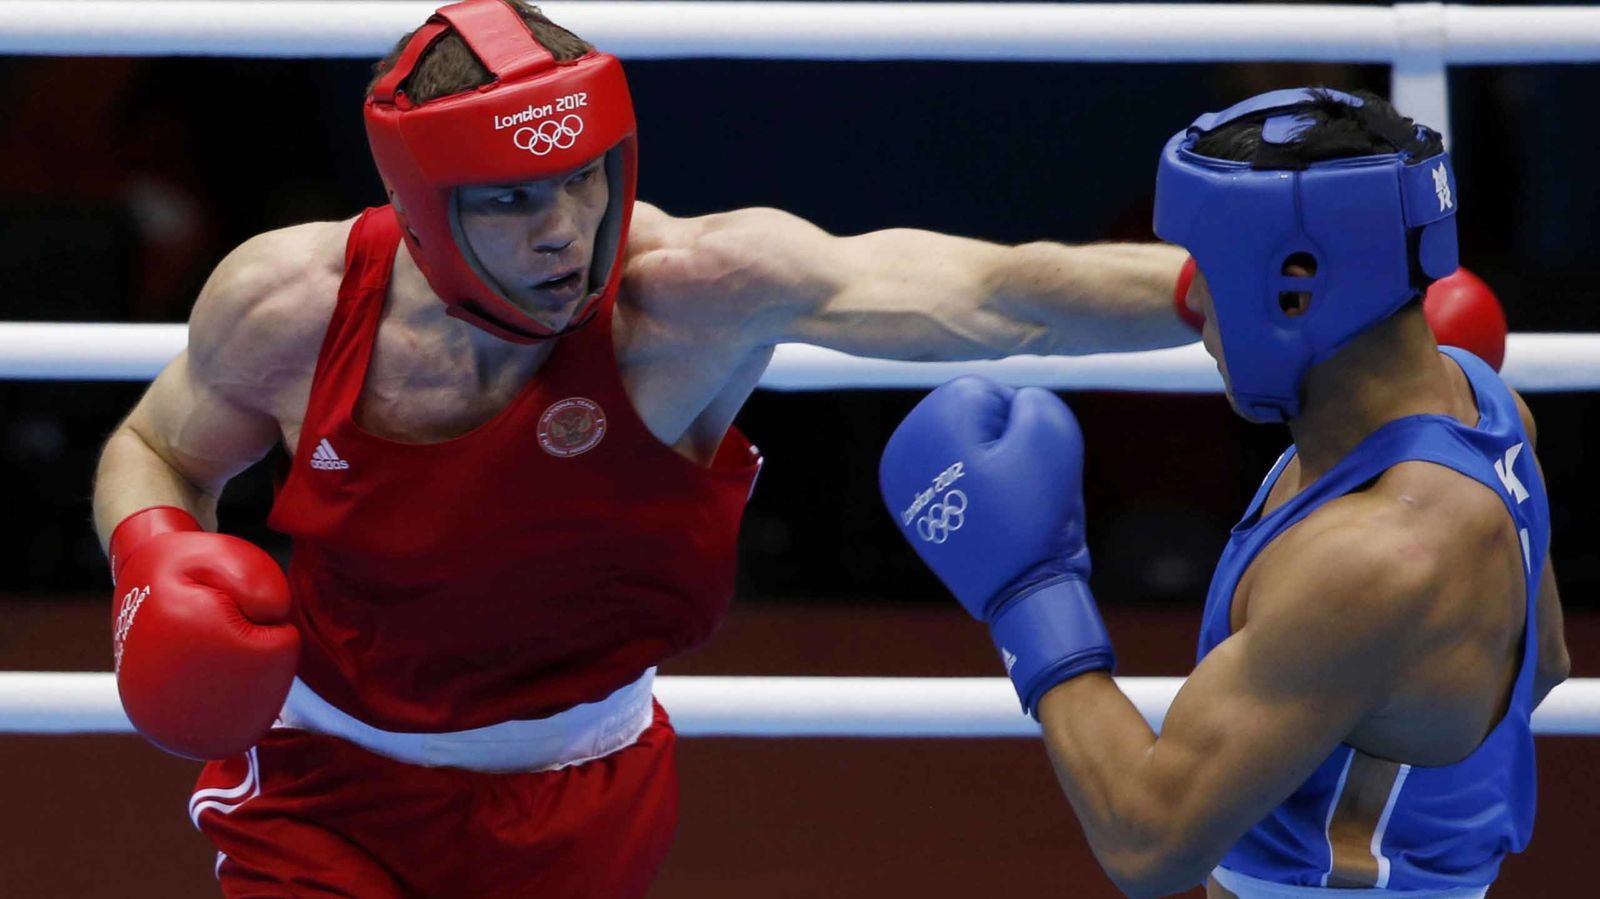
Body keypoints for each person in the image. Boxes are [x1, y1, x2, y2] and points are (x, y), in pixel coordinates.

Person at [90, 1, 1203, 894]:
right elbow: (156, 445)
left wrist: (1225, 287)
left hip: (584, 793)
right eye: (511, 198)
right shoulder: (291, 304)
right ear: (420, 204)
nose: (564, 232)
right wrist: (153, 552)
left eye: (582, 176)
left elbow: (1001, 293)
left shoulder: (684, 303)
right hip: (323, 787)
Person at [879, 88, 1570, 898]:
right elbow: (1544, 662)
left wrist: (1031, 594)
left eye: (1209, 269)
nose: (1194, 302)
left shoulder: (1379, 555)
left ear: (1296, 287)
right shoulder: (1486, 404)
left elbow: (1146, 840)